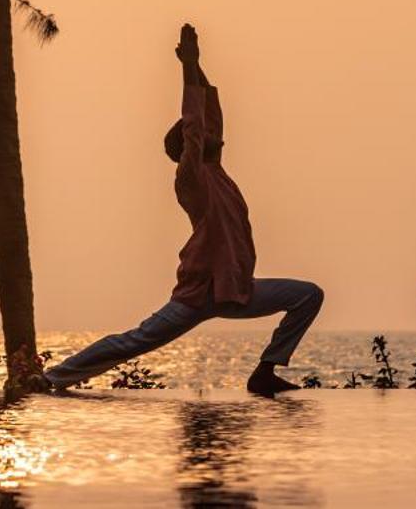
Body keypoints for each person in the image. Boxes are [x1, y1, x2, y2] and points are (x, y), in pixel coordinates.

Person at [44, 23, 324, 395]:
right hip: (200, 292)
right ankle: (53, 377)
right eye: (203, 134)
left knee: (308, 295)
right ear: (189, 147)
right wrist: (187, 67)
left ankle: (264, 371)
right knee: (134, 341)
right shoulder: (191, 176)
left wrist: (198, 66)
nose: (214, 134)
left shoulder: (216, 169)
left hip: (236, 288)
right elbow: (195, 123)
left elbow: (209, 114)